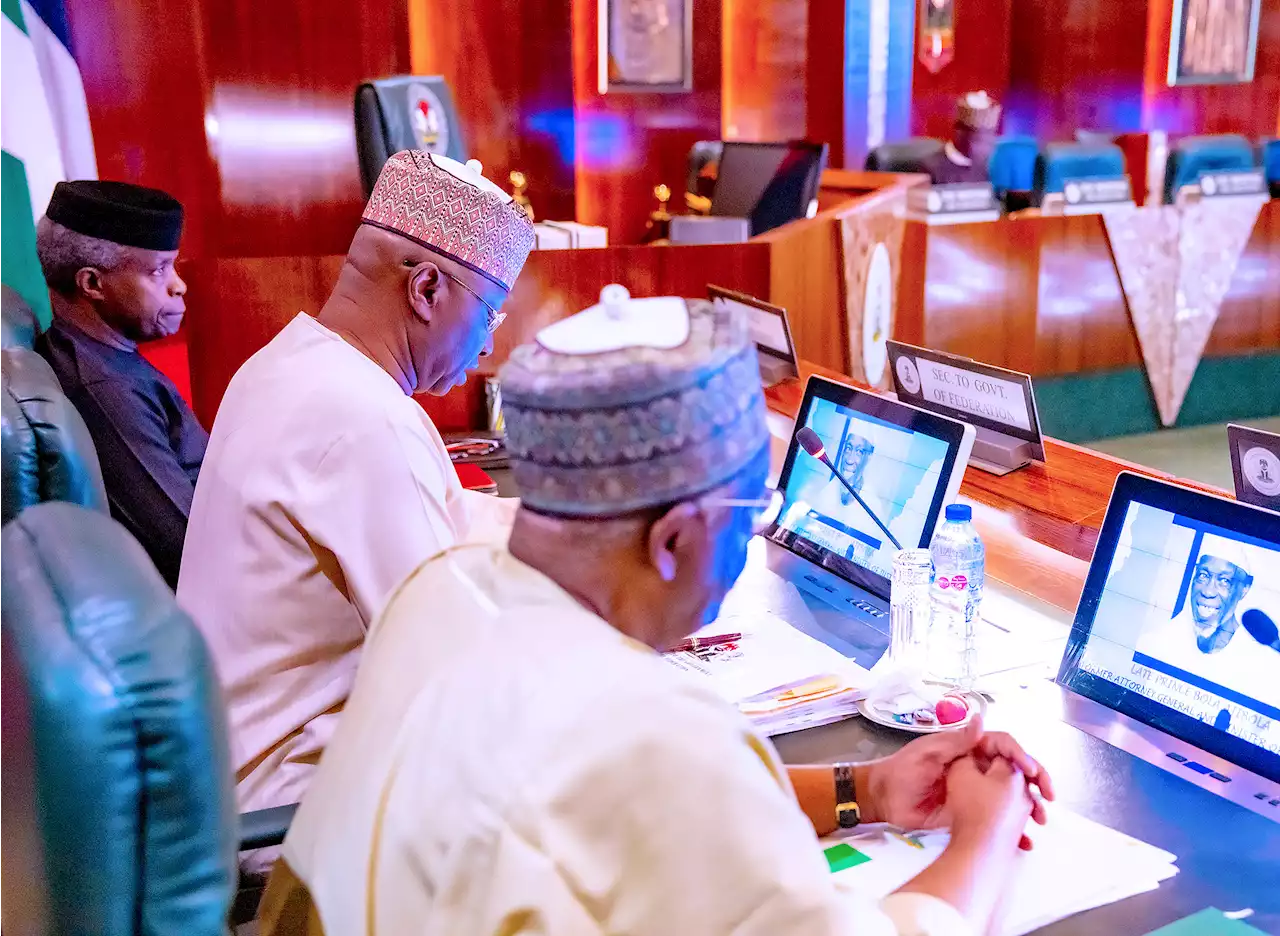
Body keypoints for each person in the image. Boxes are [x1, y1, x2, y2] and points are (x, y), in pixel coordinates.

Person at [259, 297, 1053, 936]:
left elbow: (657, 816)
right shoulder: (651, 729)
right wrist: (988, 835)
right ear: (674, 537)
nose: (750, 543)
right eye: (751, 513)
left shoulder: (439, 590)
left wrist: (868, 790)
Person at [177, 151, 535, 830]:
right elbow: (456, 674)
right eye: (489, 312)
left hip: (233, 771)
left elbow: (449, 520)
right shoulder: (365, 421)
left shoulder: (288, 364)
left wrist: (583, 528)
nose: (489, 344)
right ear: (427, 288)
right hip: (292, 802)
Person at [34, 180, 206, 589]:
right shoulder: (104, 389)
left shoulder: (103, 355)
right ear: (92, 284)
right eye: (158, 269)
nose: (178, 284)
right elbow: (188, 545)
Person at [1137, 535, 1278, 705]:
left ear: (1244, 589)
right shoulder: (1154, 644)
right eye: (1203, 576)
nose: (1208, 591)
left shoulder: (1264, 671)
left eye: (1225, 581)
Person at [921, 91, 1001, 185]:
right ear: (959, 132)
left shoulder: (993, 167)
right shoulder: (931, 167)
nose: (984, 146)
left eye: (989, 138)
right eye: (978, 139)